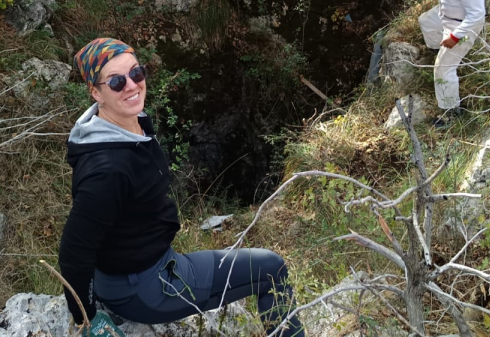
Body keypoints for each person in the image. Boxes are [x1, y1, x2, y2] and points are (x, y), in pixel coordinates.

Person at [58, 38, 306, 337]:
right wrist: (86, 320)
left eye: (136, 72)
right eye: (116, 81)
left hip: (140, 267)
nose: (132, 85)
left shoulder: (119, 125)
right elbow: (74, 252)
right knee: (271, 269)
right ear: (96, 92)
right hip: (147, 287)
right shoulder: (107, 170)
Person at [402, 0, 486, 128]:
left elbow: (477, 14)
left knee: (442, 69)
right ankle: (439, 51)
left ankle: (452, 113)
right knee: (426, 21)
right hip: (447, 15)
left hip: (462, 25)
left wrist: (455, 37)